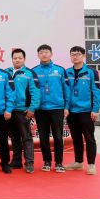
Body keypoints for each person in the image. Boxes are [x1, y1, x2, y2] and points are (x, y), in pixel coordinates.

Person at [32, 44, 70, 173]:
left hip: (57, 108)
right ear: (38, 55)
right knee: (43, 137)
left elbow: (66, 89)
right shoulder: (34, 71)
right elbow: (32, 91)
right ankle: (47, 161)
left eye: (46, 52)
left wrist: (66, 106)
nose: (44, 54)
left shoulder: (60, 70)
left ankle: (59, 162)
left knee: (58, 137)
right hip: (41, 109)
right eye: (41, 52)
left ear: (51, 54)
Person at [64, 46, 100, 175]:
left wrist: (95, 109)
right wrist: (66, 107)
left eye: (78, 54)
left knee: (89, 138)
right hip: (72, 112)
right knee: (76, 138)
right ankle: (78, 162)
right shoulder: (67, 72)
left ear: (84, 56)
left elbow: (97, 91)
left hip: (86, 111)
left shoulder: (91, 72)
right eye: (72, 54)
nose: (75, 56)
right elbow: (65, 92)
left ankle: (91, 165)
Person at [7, 48, 41, 174]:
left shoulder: (29, 73)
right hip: (10, 110)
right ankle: (16, 161)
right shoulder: (6, 72)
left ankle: (29, 163)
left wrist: (32, 108)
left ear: (24, 59)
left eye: (20, 58)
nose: (17, 60)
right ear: (12, 59)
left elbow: (35, 92)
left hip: (23, 111)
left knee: (26, 137)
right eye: (15, 58)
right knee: (14, 137)